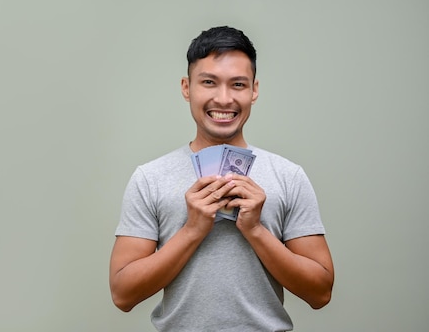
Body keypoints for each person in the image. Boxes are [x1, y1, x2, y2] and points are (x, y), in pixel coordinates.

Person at [109, 26, 334, 331]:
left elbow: (320, 292)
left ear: (254, 90)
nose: (224, 98)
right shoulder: (150, 178)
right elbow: (123, 294)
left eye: (238, 84)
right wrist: (192, 230)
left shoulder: (288, 176)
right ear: (187, 88)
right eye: (209, 82)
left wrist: (255, 229)